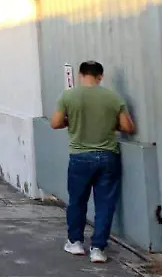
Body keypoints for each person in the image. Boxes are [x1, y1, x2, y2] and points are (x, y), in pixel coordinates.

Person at [50, 61, 136, 263]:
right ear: (100, 76)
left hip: (80, 156)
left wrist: (71, 121)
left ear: (80, 74)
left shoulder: (68, 96)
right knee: (105, 203)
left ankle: (76, 243)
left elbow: (55, 123)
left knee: (77, 201)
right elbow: (128, 126)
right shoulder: (113, 97)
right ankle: (98, 248)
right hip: (108, 156)